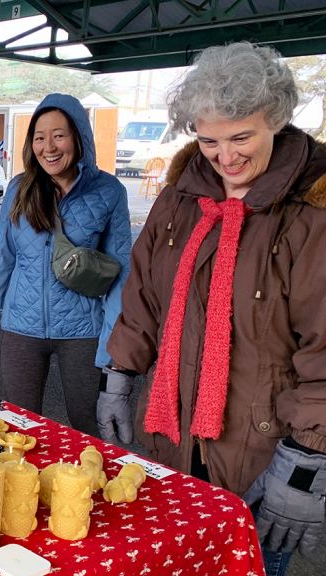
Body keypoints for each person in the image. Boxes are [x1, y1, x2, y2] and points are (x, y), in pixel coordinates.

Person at [104, 43, 326, 576]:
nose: (225, 157)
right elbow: (143, 297)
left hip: (263, 457)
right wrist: (118, 375)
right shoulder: (181, 197)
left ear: (276, 118)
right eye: (208, 140)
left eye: (241, 137)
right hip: (175, 442)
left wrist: (307, 462)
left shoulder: (311, 208)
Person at [0, 95, 131, 439]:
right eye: (40, 137)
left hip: (83, 332)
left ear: (78, 137)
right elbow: (2, 259)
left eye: (59, 135)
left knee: (89, 426)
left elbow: (123, 273)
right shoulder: (19, 188)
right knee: (19, 425)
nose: (49, 146)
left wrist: (111, 343)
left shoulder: (109, 191)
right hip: (21, 329)